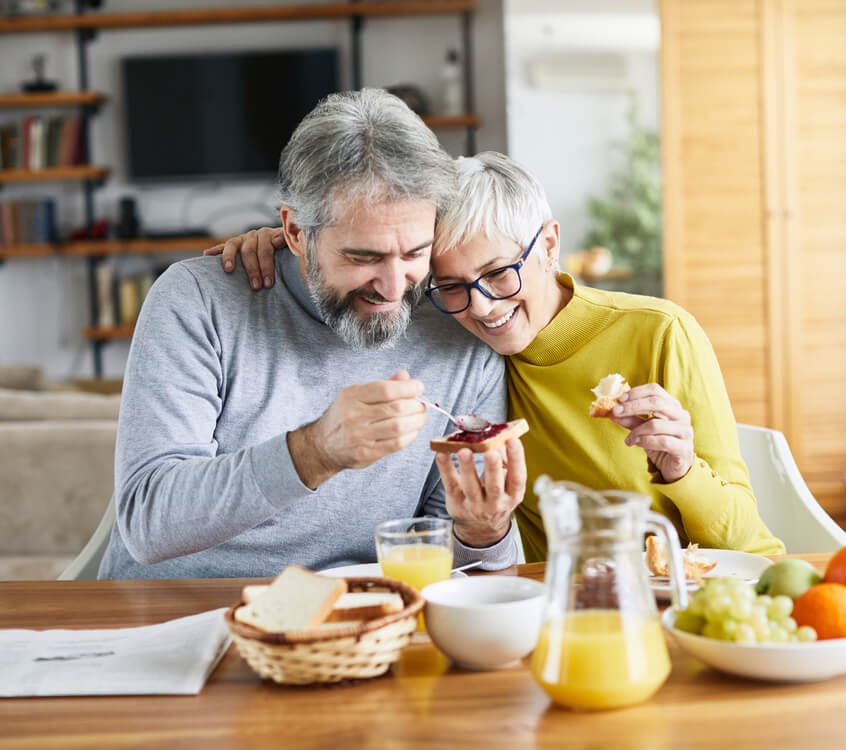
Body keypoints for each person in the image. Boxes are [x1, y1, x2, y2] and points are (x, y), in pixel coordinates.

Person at [211, 151, 784, 562]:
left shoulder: (660, 334)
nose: (482, 309)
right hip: (541, 608)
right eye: (453, 285)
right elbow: (365, 254)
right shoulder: (456, 342)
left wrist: (683, 472)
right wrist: (288, 246)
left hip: (675, 598)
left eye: (499, 274)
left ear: (550, 245)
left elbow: (751, 543)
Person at [98, 91, 524, 580]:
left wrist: (483, 534)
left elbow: (448, 559)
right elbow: (148, 521)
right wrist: (315, 451)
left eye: (414, 254)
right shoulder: (196, 301)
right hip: (173, 615)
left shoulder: (460, 329)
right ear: (296, 231)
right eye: (363, 257)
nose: (391, 288)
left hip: (357, 625)